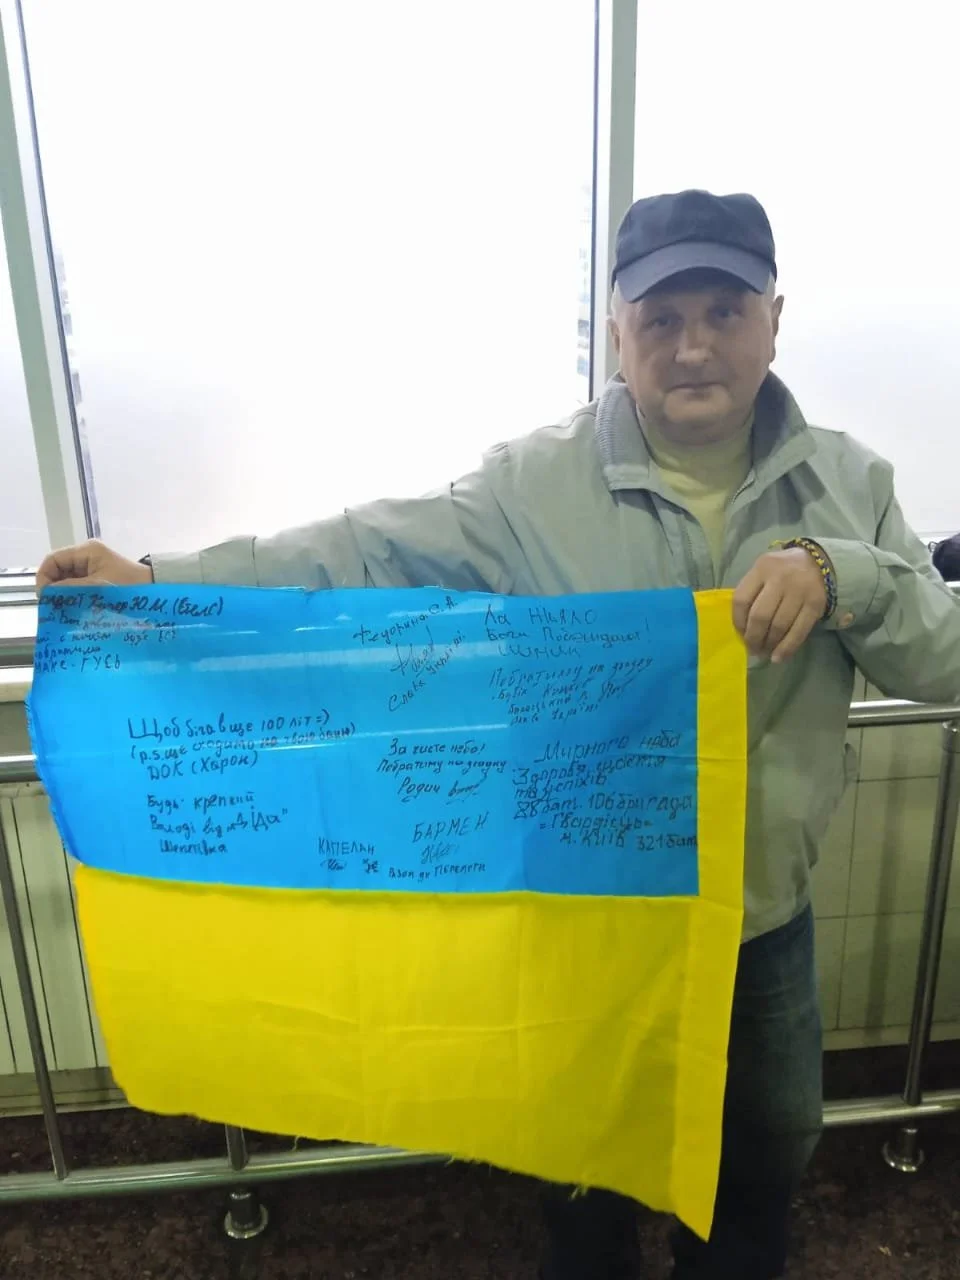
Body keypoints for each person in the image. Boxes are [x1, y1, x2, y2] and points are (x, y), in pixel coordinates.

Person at [37, 189, 960, 1279]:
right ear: (614, 330)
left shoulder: (852, 484)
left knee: (763, 1164)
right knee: (581, 1180)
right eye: (659, 319)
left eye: (724, 309)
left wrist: (842, 576)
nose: (694, 346)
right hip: (591, 919)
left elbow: (940, 655)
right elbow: (364, 549)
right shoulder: (534, 481)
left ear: (775, 318)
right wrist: (158, 581)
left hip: (764, 921)